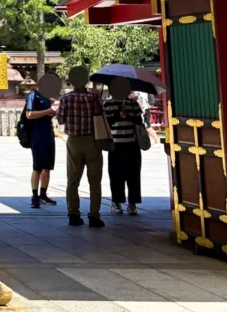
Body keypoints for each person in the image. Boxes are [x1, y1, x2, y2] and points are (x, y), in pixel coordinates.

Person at [56, 65, 105, 228]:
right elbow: (101, 117)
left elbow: (61, 120)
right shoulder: (94, 98)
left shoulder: (66, 99)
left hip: (74, 141)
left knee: (73, 180)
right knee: (95, 180)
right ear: (86, 80)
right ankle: (94, 215)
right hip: (93, 140)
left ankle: (74, 214)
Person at [104, 76, 146, 215]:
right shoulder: (107, 104)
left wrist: (128, 115)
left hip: (132, 143)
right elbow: (106, 123)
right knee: (116, 175)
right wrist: (117, 114)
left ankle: (132, 202)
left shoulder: (133, 104)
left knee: (133, 174)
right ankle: (116, 201)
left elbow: (140, 122)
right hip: (115, 145)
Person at [24, 71, 60, 209]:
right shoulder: (33, 95)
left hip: (48, 134)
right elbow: (29, 114)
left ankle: (43, 194)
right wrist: (47, 112)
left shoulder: (47, 97)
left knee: (48, 167)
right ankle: (34, 196)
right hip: (37, 135)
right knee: (37, 167)